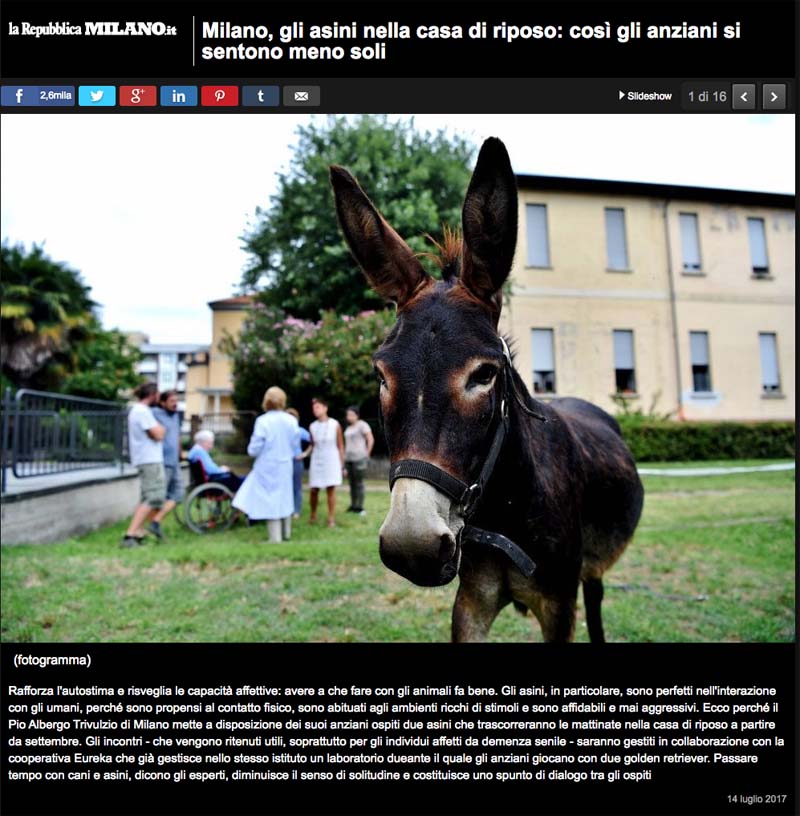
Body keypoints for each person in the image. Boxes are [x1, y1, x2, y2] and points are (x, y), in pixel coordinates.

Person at [233, 387, 298, 542]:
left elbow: (255, 448)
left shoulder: (263, 421)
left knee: (271, 501)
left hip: (267, 466)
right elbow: (295, 444)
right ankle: (286, 533)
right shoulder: (291, 420)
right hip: (285, 464)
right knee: (285, 497)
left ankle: (275, 538)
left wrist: (252, 450)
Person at [122, 382, 166, 548]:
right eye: (158, 395)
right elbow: (158, 434)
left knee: (147, 497)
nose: (159, 398)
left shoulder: (139, 410)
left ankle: (138, 533)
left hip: (147, 459)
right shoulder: (142, 411)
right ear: (153, 394)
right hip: (149, 460)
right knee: (153, 497)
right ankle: (130, 535)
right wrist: (161, 429)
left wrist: (160, 429)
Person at [148, 390, 183, 540]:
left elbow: (177, 436)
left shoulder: (175, 416)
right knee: (158, 496)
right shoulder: (154, 413)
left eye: (176, 401)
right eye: (171, 401)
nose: (175, 404)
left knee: (179, 494)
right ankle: (150, 527)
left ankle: (155, 522)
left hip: (174, 462)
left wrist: (181, 453)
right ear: (162, 403)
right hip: (161, 461)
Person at [307, 397, 344, 528]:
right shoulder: (312, 426)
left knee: (331, 489)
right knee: (313, 490)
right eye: (313, 408)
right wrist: (304, 454)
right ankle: (313, 515)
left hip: (331, 460)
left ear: (325, 408)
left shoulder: (335, 424)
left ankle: (331, 518)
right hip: (316, 459)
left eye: (317, 407)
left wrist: (342, 465)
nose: (315, 410)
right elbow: (312, 445)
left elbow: (340, 446)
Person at [344, 406, 374, 516]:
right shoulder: (348, 428)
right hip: (348, 459)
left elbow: (370, 439)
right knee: (351, 484)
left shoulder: (362, 425)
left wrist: (367, 453)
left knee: (359, 483)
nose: (349, 417)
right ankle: (353, 505)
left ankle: (360, 507)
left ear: (357, 415)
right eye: (348, 415)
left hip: (359, 458)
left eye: (352, 415)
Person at [286, 407, 311, 519]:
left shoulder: (299, 431)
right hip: (284, 461)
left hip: (296, 460)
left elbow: (313, 440)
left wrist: (305, 454)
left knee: (297, 486)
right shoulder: (282, 431)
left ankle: (297, 510)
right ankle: (287, 509)